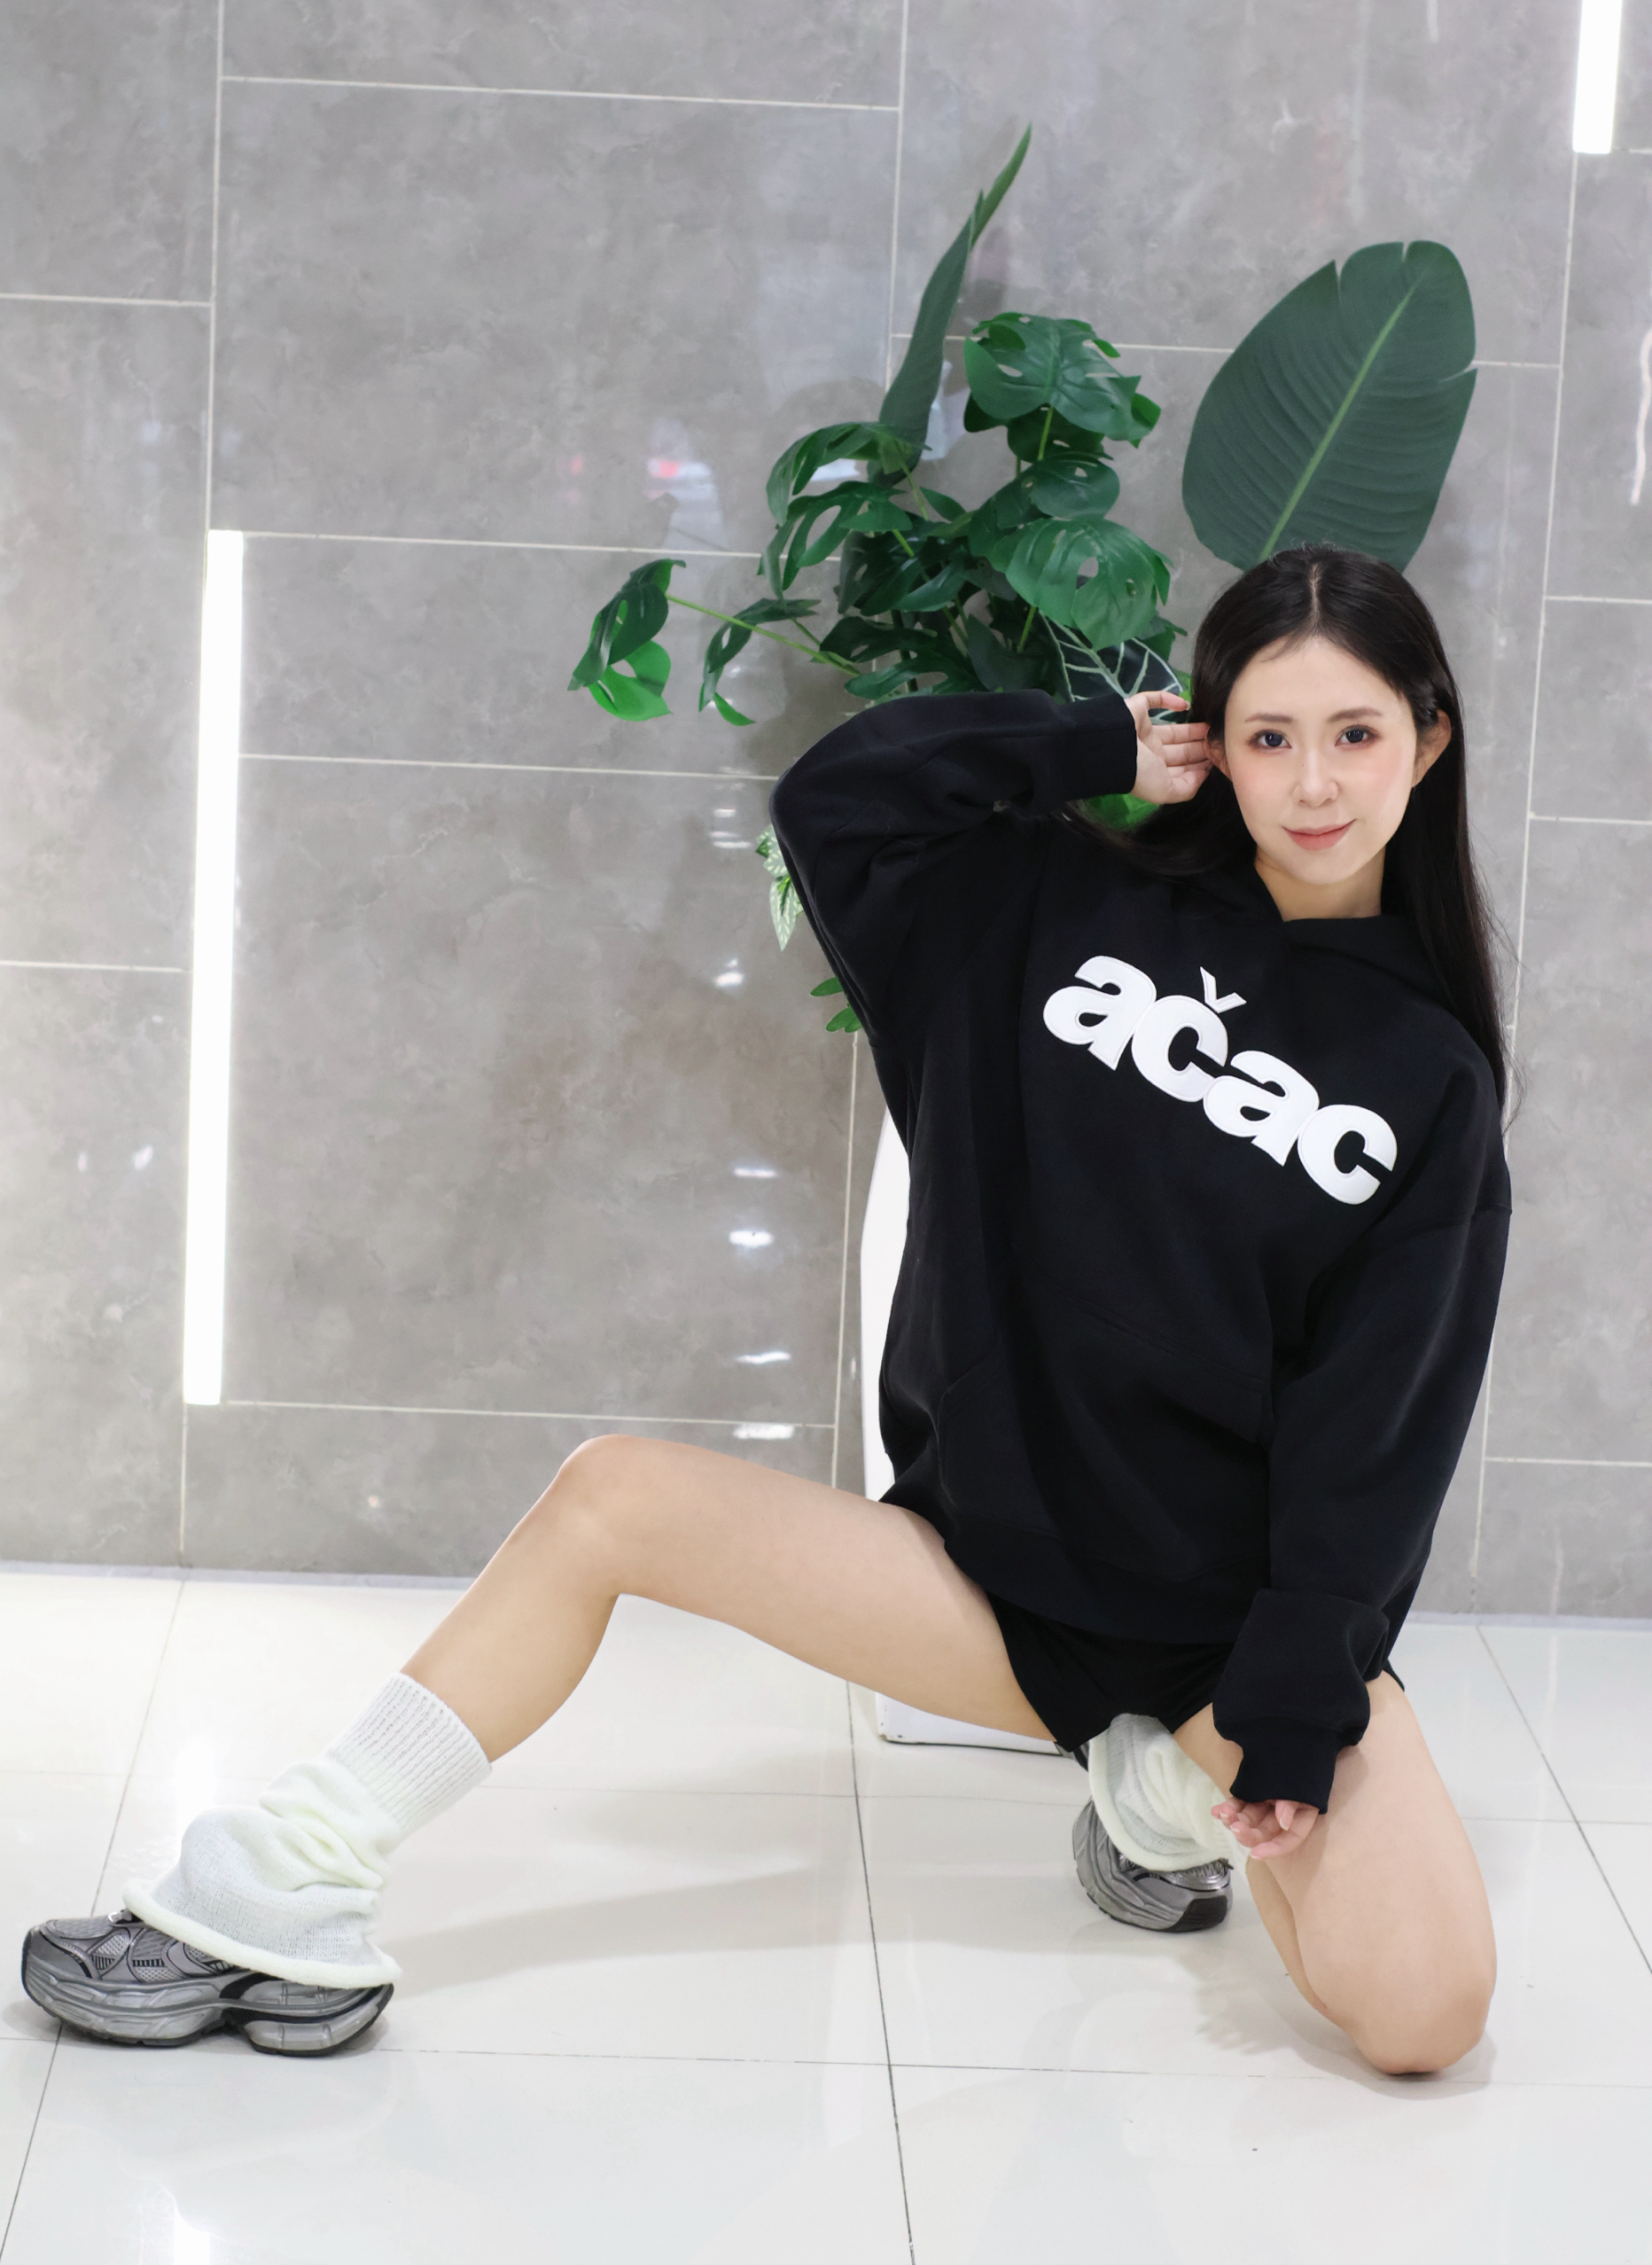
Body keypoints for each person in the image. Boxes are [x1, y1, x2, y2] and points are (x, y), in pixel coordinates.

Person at [22, 543, 1508, 2076]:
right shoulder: (1050, 902)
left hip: (1218, 1635)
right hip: (992, 1581)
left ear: (1427, 742)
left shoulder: (1432, 1082)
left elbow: (1380, 1430)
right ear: (1213, 741)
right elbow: (838, 802)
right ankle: (277, 1879)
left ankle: (1161, 1791)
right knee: (612, 1498)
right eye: (1269, 735)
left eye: (1355, 734)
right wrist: (1090, 746)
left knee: (1424, 2019)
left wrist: (1285, 1718)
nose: (1312, 782)